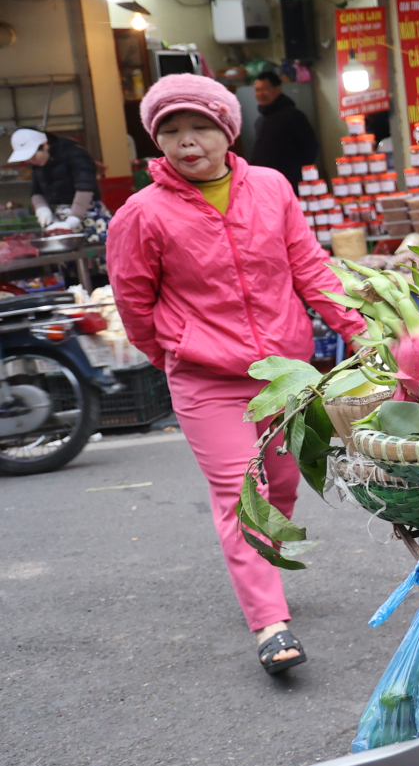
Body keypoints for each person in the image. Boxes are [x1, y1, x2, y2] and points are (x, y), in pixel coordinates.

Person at [106, 74, 364, 676]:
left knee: (281, 485)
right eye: (170, 130)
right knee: (239, 493)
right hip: (206, 379)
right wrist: (173, 352)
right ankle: (271, 625)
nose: (185, 141)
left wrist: (357, 329)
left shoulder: (272, 188)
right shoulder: (141, 214)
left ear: (228, 130)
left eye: (199, 127)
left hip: (286, 372)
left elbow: (311, 268)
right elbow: (134, 304)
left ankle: (265, 574)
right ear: (155, 140)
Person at [9, 127, 99, 230]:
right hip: (60, 217)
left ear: (45, 145)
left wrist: (73, 219)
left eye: (33, 156)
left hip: (87, 214)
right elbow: (36, 191)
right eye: (27, 159)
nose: (31, 161)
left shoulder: (75, 154)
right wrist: (41, 209)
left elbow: (85, 187)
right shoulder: (37, 166)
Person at [248, 68, 321, 190]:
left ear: (277, 89)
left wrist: (298, 176)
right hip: (265, 185)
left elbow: (311, 147)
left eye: (265, 89)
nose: (260, 94)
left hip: (290, 184)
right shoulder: (260, 121)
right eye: (257, 90)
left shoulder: (293, 115)